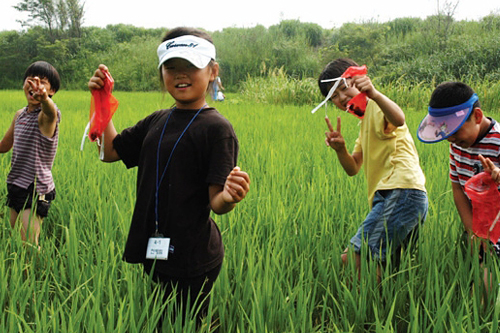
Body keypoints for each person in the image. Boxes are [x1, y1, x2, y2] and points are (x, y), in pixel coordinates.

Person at [88, 27, 250, 327]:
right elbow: (110, 151)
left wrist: (229, 196)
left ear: (212, 71)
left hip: (193, 255)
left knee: (186, 320)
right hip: (155, 244)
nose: (180, 75)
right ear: (162, 73)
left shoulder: (217, 129)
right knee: (165, 316)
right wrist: (101, 100)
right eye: (171, 67)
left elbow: (217, 201)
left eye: (191, 66)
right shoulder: (157, 120)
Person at [315, 58, 428, 279]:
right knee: (383, 267)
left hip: (400, 192)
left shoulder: (377, 105)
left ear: (357, 79)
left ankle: (356, 308)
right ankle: (377, 310)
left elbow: (399, 118)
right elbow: (353, 167)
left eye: (342, 89)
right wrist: (340, 149)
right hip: (401, 196)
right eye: (334, 97)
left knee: (354, 259)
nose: (340, 99)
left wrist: (374, 93)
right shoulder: (365, 121)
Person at [417, 81, 500, 292]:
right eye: (445, 132)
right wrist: (472, 231)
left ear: (478, 117)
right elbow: (457, 189)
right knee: (479, 278)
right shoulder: (457, 145)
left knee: (484, 286)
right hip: (478, 227)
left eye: (454, 130)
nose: (450, 139)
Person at [0, 61, 61, 249]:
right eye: (31, 80)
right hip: (16, 183)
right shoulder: (20, 115)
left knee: (28, 244)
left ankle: (38, 276)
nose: (36, 86)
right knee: (13, 238)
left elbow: (50, 112)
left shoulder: (47, 115)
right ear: (24, 85)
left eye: (43, 82)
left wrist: (44, 100)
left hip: (36, 188)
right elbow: (4, 146)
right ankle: (17, 273)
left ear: (51, 91)